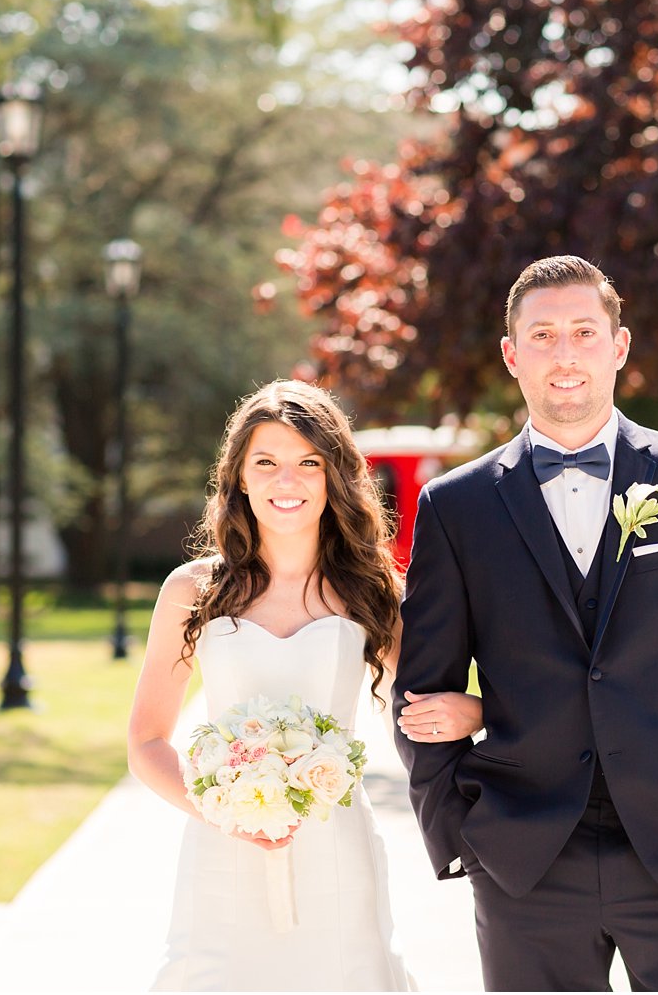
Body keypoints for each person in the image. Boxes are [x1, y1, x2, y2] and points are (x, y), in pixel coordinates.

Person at [393, 256, 658, 991]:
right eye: (543, 335)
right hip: (526, 861)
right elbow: (419, 691)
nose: (565, 353)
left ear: (619, 346)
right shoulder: (458, 507)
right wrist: (460, 838)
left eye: (584, 331)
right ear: (512, 355)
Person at [129, 379, 483, 991]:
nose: (285, 481)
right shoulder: (192, 591)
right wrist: (224, 814)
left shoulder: (372, 593)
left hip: (336, 847)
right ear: (239, 476)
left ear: (333, 478)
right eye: (265, 462)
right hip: (224, 853)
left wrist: (476, 714)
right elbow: (146, 742)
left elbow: (437, 703)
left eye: (307, 463)